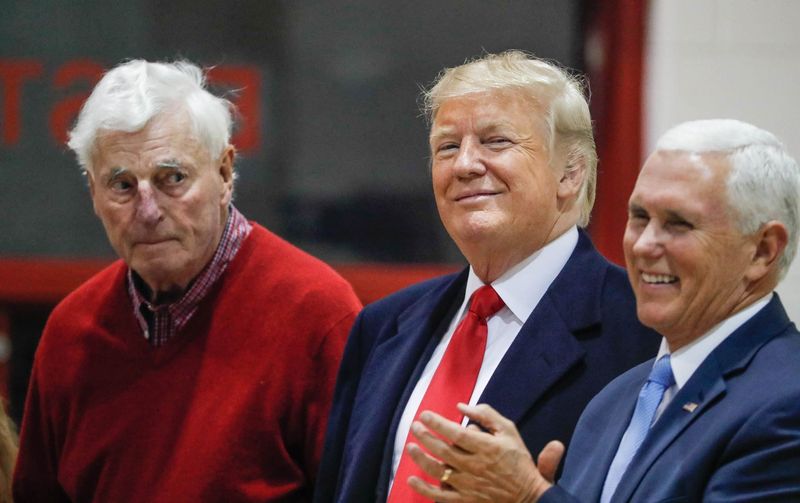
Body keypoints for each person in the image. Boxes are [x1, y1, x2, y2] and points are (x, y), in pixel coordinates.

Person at [314, 50, 658, 503]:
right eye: (448, 146)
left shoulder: (643, 332)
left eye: (496, 141)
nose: (464, 165)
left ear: (570, 173)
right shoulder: (384, 326)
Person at [12, 59, 362, 502]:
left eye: (171, 178)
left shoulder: (316, 313)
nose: (148, 210)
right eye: (121, 184)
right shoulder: (71, 334)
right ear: (93, 196)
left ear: (224, 173)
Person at [406, 119, 800, 502]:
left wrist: (531, 497)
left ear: (763, 251)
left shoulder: (787, 403)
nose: (644, 245)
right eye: (640, 218)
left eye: (679, 224)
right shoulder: (615, 399)